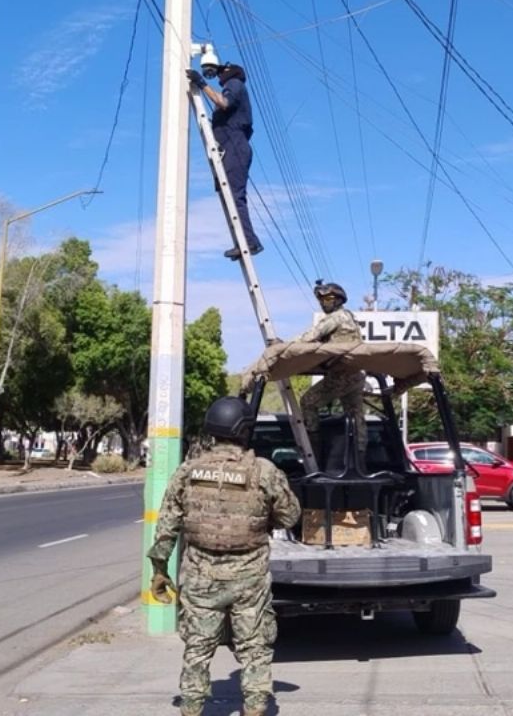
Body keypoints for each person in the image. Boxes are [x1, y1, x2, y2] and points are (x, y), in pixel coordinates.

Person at [148, 396, 301, 716]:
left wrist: (159, 571)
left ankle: (191, 707)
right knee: (254, 647)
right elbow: (290, 517)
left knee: (197, 648)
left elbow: (167, 526)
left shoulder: (188, 471)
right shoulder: (264, 471)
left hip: (200, 575)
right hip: (249, 576)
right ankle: (256, 707)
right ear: (244, 430)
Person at [187, 62, 262, 261]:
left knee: (235, 196)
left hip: (235, 147)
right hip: (230, 148)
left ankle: (249, 242)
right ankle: (243, 241)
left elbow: (224, 103)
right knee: (228, 195)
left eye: (221, 72)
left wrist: (201, 83)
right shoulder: (234, 86)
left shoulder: (235, 84)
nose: (218, 76)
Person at [291, 281, 367, 466]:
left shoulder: (337, 318)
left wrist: (285, 345)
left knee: (308, 402)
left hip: (342, 375)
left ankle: (314, 458)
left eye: (328, 299)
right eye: (321, 299)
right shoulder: (349, 317)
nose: (324, 303)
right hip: (355, 375)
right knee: (356, 417)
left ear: (339, 300)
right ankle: (361, 464)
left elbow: (311, 335)